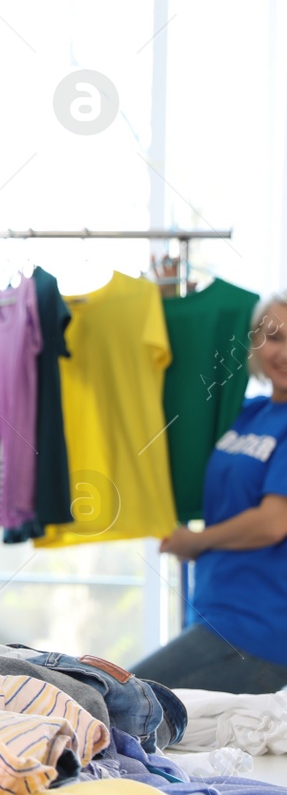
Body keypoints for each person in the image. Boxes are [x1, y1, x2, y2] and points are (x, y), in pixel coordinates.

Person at [132, 292, 287, 693]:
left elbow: (273, 524)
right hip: (216, 615)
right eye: (275, 337)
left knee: (114, 699)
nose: (284, 352)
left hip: (260, 634)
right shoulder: (249, 411)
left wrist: (196, 542)